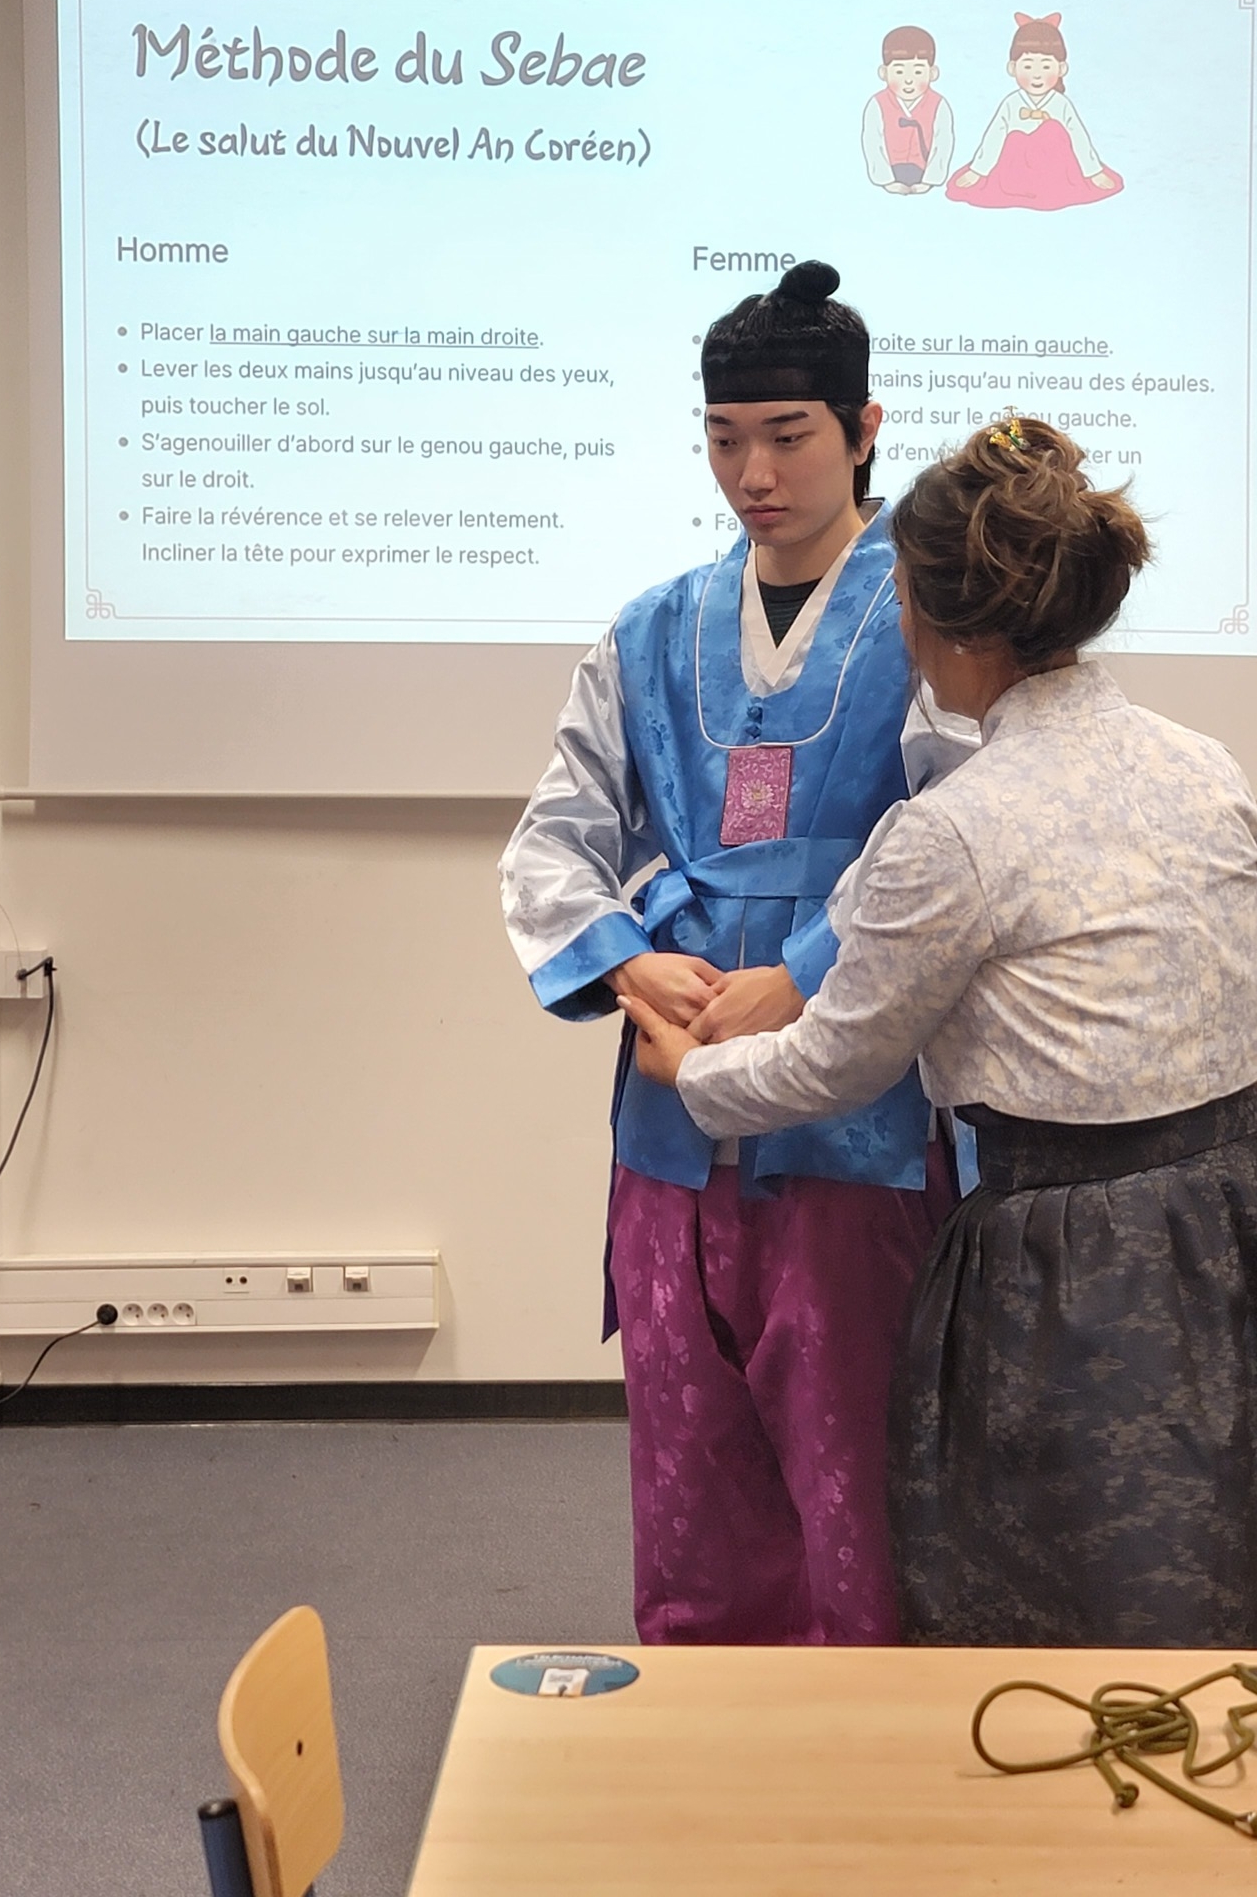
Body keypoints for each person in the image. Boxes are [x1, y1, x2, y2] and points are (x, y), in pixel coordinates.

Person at [621, 415, 1257, 1652]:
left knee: (1085, 1592)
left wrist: (696, 1074)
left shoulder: (953, 831)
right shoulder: (1206, 765)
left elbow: (836, 1062)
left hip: (1068, 1259)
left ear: (932, 618)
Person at [500, 261, 962, 1648]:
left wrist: (812, 964)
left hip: (859, 1099)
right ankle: (703, 1726)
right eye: (723, 438)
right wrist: (626, 963)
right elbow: (554, 836)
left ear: (864, 428)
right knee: (688, 1443)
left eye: (787, 435)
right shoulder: (651, 629)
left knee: (854, 1441)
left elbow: (960, 832)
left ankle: (872, 1737)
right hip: (673, 1091)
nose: (752, 474)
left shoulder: (937, 620)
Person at [947, 12, 1122, 211]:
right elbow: (994, 137)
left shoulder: (1061, 104)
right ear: (1012, 68)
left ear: (1061, 68)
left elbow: (1078, 137)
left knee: (1052, 130)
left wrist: (1093, 172)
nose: (1037, 75)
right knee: (1015, 139)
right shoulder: (1011, 103)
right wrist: (978, 170)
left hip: (1055, 173)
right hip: (1016, 173)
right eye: (1028, 66)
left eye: (1046, 66)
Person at [861, 25, 956, 195]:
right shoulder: (877, 104)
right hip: (891, 170)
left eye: (918, 72)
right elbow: (873, 144)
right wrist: (886, 181)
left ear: (932, 73)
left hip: (923, 171)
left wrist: (929, 181)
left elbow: (942, 145)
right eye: (899, 71)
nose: (909, 80)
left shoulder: (939, 105)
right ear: (884, 72)